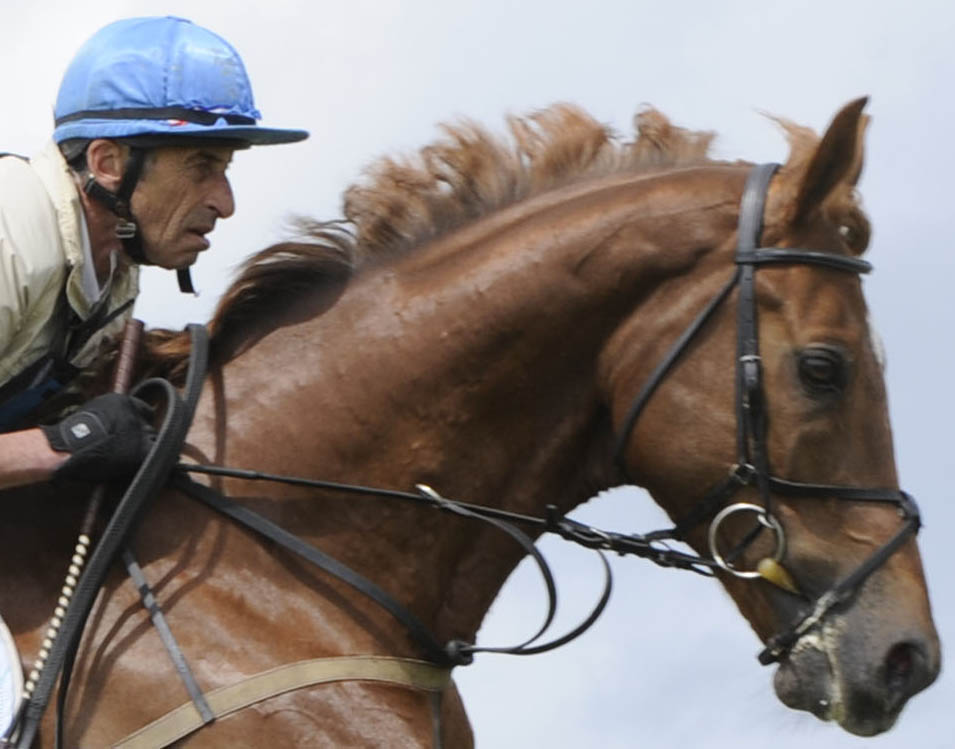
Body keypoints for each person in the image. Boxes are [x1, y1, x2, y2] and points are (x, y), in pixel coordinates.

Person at [0, 16, 308, 490]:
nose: (225, 204)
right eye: (201, 166)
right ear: (108, 164)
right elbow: (63, 443)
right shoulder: (13, 236)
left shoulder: (113, 270)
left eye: (225, 169)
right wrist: (63, 444)